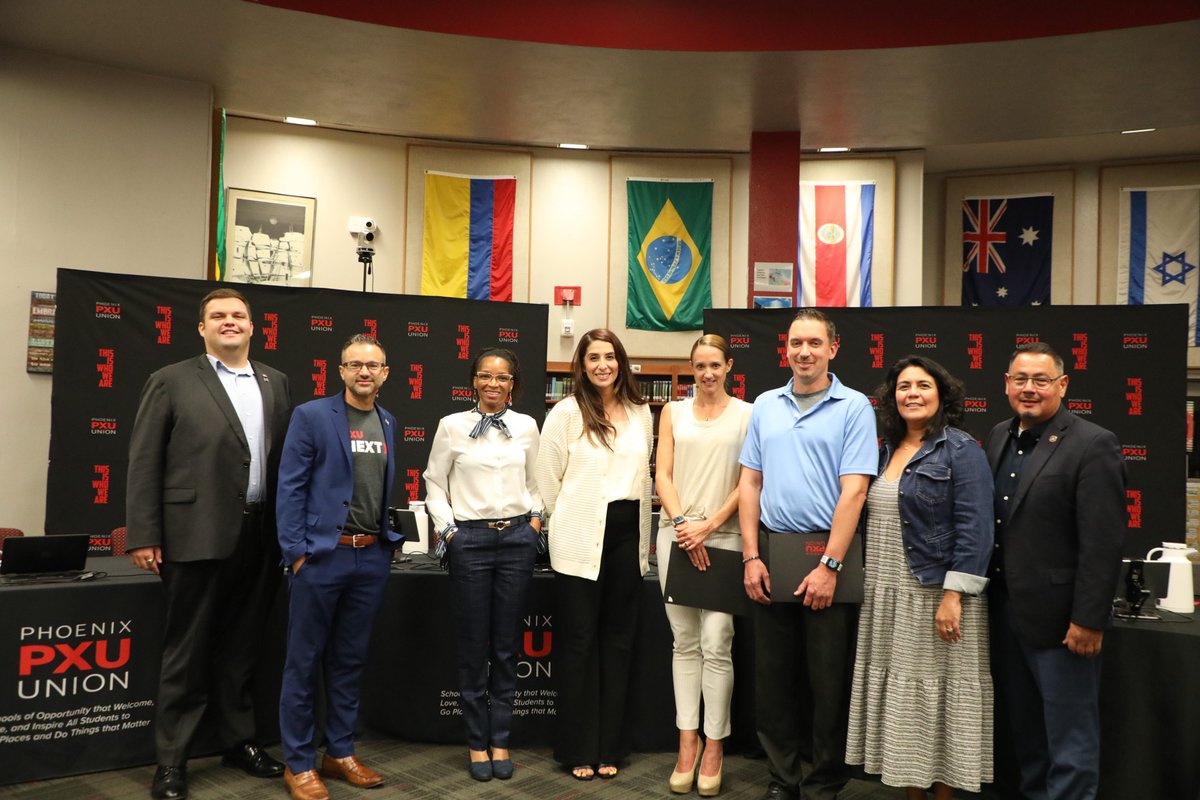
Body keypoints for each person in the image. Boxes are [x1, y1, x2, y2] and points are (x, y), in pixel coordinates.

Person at [126, 287, 292, 800]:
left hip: (261, 537)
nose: (229, 322)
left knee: (244, 648)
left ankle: (239, 741)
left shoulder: (276, 382)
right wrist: (145, 533)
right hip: (193, 534)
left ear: (252, 325)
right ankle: (172, 762)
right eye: (217, 316)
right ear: (201, 328)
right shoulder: (171, 380)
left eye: (238, 316)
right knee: (187, 651)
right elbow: (143, 460)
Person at [738, 308, 877, 800]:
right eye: (797, 342)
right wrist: (752, 556)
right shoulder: (766, 405)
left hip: (827, 555)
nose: (804, 352)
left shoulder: (855, 407)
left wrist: (830, 566)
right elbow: (750, 482)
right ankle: (783, 778)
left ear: (832, 349)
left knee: (826, 682)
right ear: (786, 347)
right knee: (773, 682)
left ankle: (822, 783)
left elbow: (855, 492)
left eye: (815, 343)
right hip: (774, 550)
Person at [845, 356, 994, 799]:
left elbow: (977, 528)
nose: (912, 393)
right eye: (903, 386)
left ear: (941, 394)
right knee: (907, 707)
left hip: (935, 595)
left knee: (942, 701)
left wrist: (953, 596)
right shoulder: (883, 449)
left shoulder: (962, 449)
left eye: (923, 385)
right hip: (885, 594)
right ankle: (912, 793)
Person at [985, 341, 1124, 800]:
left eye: (1041, 380)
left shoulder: (1093, 443)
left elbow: (1102, 544)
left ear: (1062, 385)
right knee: (1027, 737)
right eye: (1020, 379)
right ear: (1007, 384)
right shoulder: (999, 434)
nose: (1029, 388)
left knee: (1070, 742)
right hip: (1005, 614)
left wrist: (1087, 619)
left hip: (1064, 623)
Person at [275, 334, 403, 800]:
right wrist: (297, 553)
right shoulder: (311, 416)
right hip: (321, 558)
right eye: (355, 365)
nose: (364, 372)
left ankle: (340, 751)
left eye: (373, 365)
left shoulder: (388, 421)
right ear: (341, 371)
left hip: (370, 556)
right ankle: (299, 762)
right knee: (303, 662)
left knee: (349, 660)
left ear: (385, 373)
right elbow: (289, 488)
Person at [535, 328, 653, 782]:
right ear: (581, 365)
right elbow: (548, 480)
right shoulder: (565, 412)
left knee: (618, 643)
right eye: (593, 358)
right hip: (580, 539)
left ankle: (610, 747)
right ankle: (577, 748)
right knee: (580, 644)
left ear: (620, 361)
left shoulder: (643, 412)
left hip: (627, 537)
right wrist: (567, 519)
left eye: (610, 356)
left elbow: (642, 476)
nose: (602, 364)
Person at [423, 347, 543, 782]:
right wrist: (449, 531)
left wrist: (533, 522)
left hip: (516, 540)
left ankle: (501, 739)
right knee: (474, 646)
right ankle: (476, 743)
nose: (494, 383)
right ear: (473, 381)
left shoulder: (527, 426)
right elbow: (434, 481)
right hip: (469, 541)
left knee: (507, 645)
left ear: (513, 383)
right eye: (486, 376)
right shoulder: (451, 426)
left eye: (503, 377)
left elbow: (536, 482)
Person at [655, 334, 752, 797]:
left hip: (726, 537)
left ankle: (715, 745)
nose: (707, 373)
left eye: (715, 365)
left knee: (717, 641)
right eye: (699, 366)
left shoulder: (748, 414)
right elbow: (662, 475)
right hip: (676, 535)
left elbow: (750, 480)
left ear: (728, 366)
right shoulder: (672, 412)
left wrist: (708, 527)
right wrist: (682, 525)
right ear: (691, 369)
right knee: (684, 642)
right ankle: (687, 742)